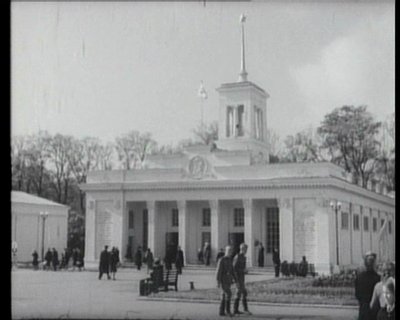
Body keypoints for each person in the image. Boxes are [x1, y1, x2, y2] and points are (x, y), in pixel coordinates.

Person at [355, 251, 380, 320]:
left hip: (363, 307)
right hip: (374, 308)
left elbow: (357, 294)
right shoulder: (377, 277)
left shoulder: (359, 277)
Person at [216, 245, 236, 317]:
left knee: (225, 295)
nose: (230, 252)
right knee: (228, 294)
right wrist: (218, 281)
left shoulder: (230, 260)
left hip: (228, 280)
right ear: (226, 251)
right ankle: (226, 311)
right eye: (228, 251)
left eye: (231, 251)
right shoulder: (222, 260)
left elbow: (232, 270)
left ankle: (222, 311)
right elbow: (218, 271)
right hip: (223, 280)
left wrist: (235, 279)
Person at [233, 243, 252, 315]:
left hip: (242, 278)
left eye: (246, 249)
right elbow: (234, 269)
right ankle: (237, 310)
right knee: (239, 293)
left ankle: (243, 309)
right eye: (245, 249)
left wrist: (245, 271)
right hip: (238, 278)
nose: (246, 250)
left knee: (243, 293)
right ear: (242, 249)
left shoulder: (244, 257)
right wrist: (236, 280)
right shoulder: (237, 257)